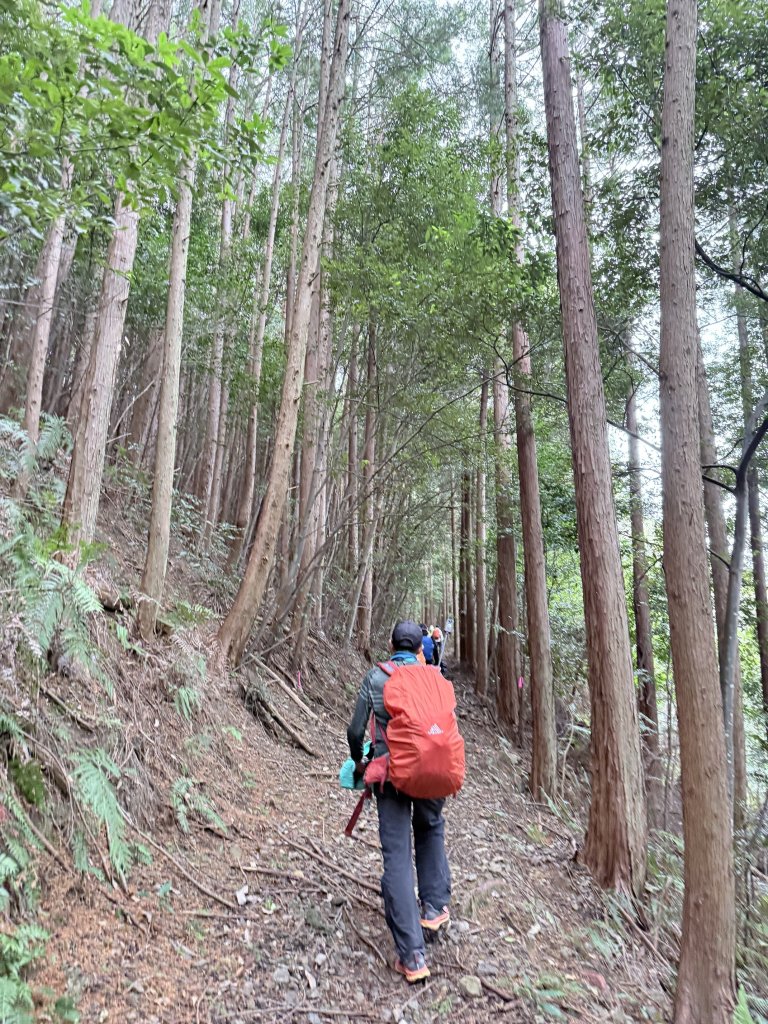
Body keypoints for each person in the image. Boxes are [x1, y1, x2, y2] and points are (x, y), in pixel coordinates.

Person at [346, 620, 452, 983]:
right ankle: (435, 907)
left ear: (391, 645)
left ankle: (412, 956)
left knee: (396, 854)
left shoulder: (377, 678)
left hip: (390, 776)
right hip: (430, 771)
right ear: (420, 647)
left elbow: (355, 730)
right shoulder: (434, 676)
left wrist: (359, 761)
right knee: (431, 828)